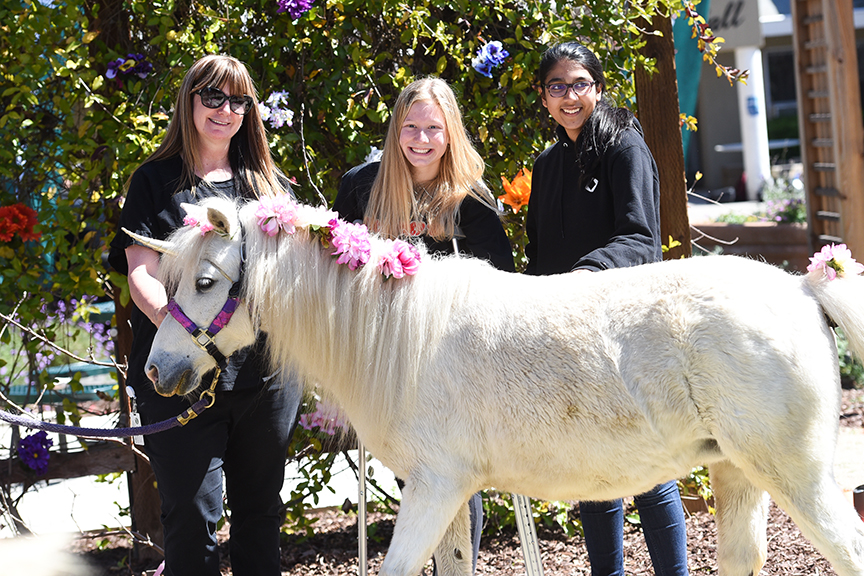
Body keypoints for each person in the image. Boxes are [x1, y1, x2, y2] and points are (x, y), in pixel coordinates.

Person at [107, 55, 300, 576]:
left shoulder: (269, 189)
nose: (225, 111)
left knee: (260, 516)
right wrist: (191, 332)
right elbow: (141, 274)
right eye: (213, 97)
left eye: (238, 101)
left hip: (265, 378)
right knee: (192, 521)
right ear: (189, 101)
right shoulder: (154, 182)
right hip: (180, 372)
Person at [334, 76, 515, 574]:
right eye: (411, 126)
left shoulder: (470, 198)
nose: (421, 138)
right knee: (412, 473)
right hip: (386, 362)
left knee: (449, 473)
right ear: (396, 130)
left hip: (454, 366)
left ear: (450, 132)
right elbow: (332, 270)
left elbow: (501, 286)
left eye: (433, 127)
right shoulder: (361, 187)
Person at [525, 42, 689, 576]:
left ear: (597, 86)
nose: (569, 97)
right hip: (565, 335)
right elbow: (541, 254)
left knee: (649, 468)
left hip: (627, 331)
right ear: (544, 96)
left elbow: (643, 237)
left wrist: (588, 274)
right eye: (557, 87)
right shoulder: (547, 165)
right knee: (592, 466)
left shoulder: (624, 147)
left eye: (579, 84)